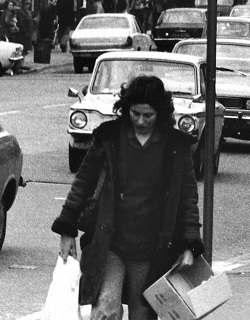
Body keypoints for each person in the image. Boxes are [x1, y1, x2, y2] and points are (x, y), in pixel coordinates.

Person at [51, 75, 204, 320]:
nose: (141, 121)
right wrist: (67, 229)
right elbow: (82, 182)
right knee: (104, 310)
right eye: (135, 114)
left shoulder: (176, 146)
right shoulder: (109, 137)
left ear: (160, 114)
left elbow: (187, 198)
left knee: (141, 313)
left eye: (148, 115)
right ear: (125, 109)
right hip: (110, 242)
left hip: (152, 247)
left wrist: (189, 244)